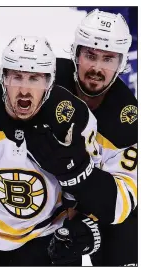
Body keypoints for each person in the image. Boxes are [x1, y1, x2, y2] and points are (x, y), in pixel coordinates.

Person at [0, 35, 102, 266]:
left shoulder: (73, 118)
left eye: (35, 78)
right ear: (2, 77)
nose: (24, 90)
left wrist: (85, 224)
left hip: (42, 237)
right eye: (16, 77)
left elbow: (87, 188)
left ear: (49, 82)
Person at [55, 9, 137, 266]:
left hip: (93, 208)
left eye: (108, 59)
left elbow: (123, 200)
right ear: (76, 54)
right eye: (90, 55)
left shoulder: (127, 117)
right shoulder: (46, 77)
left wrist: (89, 221)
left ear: (121, 64)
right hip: (41, 205)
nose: (97, 68)